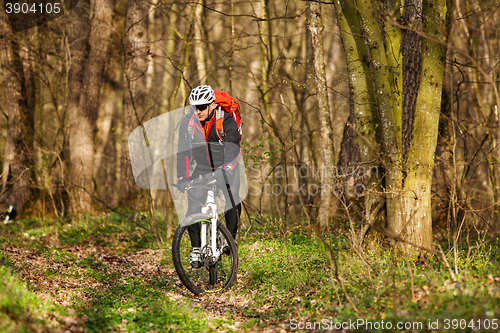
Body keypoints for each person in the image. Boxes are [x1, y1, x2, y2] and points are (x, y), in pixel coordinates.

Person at [176, 85, 242, 268]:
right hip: (204, 166)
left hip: (226, 164)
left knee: (232, 197)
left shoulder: (224, 119)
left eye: (203, 107)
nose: (199, 111)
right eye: (195, 107)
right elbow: (183, 152)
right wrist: (182, 177)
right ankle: (196, 248)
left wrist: (228, 166)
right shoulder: (188, 123)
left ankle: (229, 238)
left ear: (212, 105)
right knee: (194, 202)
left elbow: (232, 144)